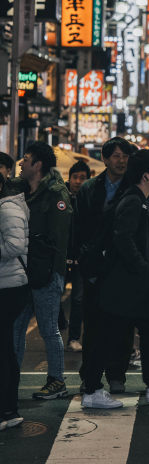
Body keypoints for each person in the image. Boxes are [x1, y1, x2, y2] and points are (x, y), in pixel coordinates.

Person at [81, 149, 149, 409]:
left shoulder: (141, 200)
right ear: (146, 175)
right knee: (111, 335)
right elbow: (122, 238)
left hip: (133, 283)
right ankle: (93, 389)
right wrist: (142, 266)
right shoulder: (133, 201)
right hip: (126, 284)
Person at [12, 142, 72, 400]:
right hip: (24, 271)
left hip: (46, 272)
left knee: (48, 328)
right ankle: (10, 379)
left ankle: (57, 380)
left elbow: (59, 240)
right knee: (17, 327)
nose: (21, 163)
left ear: (38, 165)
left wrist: (51, 272)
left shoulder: (56, 194)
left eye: (25, 159)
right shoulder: (24, 191)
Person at [74, 137, 134, 394]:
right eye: (117, 156)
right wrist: (83, 259)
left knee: (122, 323)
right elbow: (79, 226)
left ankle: (117, 373)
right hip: (96, 265)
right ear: (106, 158)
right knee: (94, 324)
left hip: (122, 266)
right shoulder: (90, 188)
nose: (122, 161)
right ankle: (90, 375)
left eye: (125, 156)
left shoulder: (133, 187)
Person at [0, 171, 30, 429]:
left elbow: (15, 246)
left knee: (4, 350)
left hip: (9, 286)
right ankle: (8, 410)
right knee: (5, 348)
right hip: (7, 284)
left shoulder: (7, 208)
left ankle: (7, 410)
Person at [62, 160, 91, 353]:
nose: (78, 181)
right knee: (54, 296)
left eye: (82, 178)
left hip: (81, 256)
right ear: (69, 178)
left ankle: (74, 337)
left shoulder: (90, 198)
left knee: (79, 299)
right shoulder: (60, 196)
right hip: (61, 257)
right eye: (75, 177)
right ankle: (56, 332)